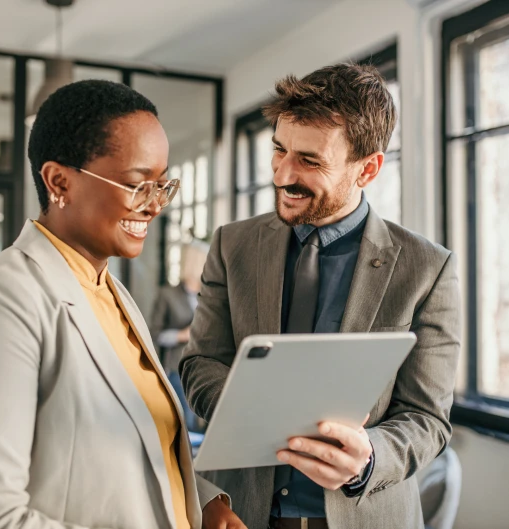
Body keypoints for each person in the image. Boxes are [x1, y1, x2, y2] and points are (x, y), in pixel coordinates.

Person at [180, 63, 461, 529]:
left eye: (309, 161)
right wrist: (255, 410)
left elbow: (428, 418)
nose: (282, 174)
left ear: (367, 168)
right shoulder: (232, 246)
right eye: (278, 149)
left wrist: (371, 458)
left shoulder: (427, 269)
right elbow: (200, 362)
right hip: (238, 512)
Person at [0, 80, 245, 529]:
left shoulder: (114, 294)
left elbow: (134, 445)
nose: (155, 205)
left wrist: (202, 504)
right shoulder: (3, 298)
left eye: (163, 185)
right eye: (137, 184)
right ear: (58, 181)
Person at [150, 240, 209, 432]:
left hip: (207, 365)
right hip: (178, 367)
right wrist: (181, 335)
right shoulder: (167, 295)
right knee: (185, 420)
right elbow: (154, 334)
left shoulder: (211, 295)